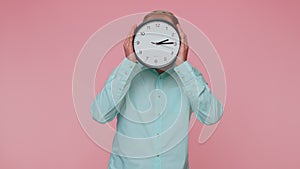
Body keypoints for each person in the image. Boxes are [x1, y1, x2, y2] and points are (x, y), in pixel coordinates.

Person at [90, 10, 224, 169]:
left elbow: (212, 116)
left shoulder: (189, 77)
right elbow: (99, 114)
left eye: (164, 38)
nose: (157, 42)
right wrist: (129, 62)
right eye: (151, 36)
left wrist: (183, 65)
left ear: (179, 40)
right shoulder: (126, 73)